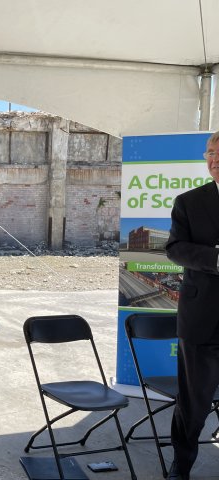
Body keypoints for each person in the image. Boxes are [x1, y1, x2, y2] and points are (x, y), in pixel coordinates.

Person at [165, 130, 219, 480]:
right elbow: (174, 248)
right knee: (193, 405)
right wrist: (215, 259)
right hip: (203, 320)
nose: (213, 159)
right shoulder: (189, 201)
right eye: (209, 153)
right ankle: (180, 467)